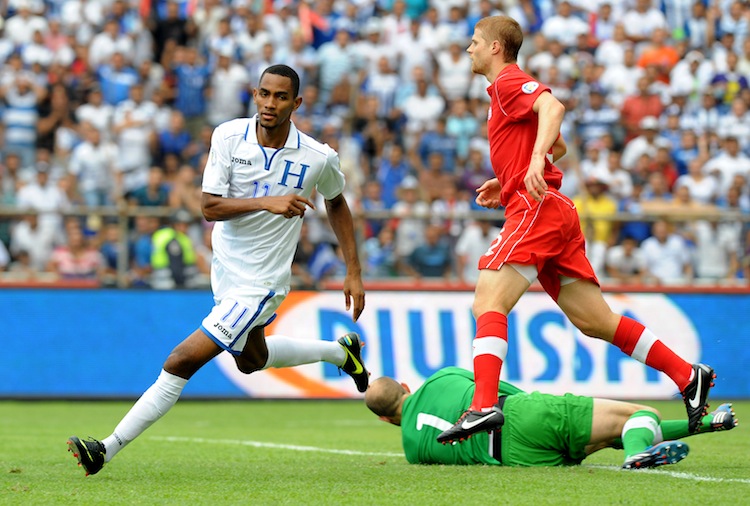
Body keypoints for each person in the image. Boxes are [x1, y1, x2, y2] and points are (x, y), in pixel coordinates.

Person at [68, 65, 368, 476]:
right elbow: (209, 207)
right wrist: (269, 201)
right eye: (263, 93)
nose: (269, 103)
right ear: (254, 94)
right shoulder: (228, 136)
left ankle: (106, 447)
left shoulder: (318, 157)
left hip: (261, 283)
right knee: (251, 360)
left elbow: (336, 202)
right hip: (224, 271)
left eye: (280, 97)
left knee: (181, 360)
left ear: (296, 104)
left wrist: (353, 269)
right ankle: (341, 352)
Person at [436, 16, 715, 445]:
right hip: (552, 209)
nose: (468, 48)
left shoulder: (510, 81)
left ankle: (484, 406)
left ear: (495, 47)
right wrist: (511, 175)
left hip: (537, 209)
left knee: (487, 301)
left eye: (475, 42)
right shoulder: (500, 94)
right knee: (595, 320)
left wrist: (531, 165)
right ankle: (687, 374)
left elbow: (554, 108)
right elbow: (557, 143)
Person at [365, 367, 738, 468]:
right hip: (521, 416)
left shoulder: (412, 449)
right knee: (640, 414)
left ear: (385, 420)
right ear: (404, 385)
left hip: (516, 460)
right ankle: (634, 456)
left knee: (611, 433)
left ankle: (710, 423)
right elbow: (499, 391)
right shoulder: (442, 377)